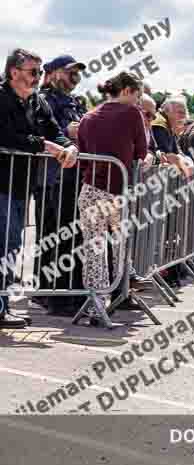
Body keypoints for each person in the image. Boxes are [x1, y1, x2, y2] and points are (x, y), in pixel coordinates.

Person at [0, 48, 77, 327]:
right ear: (14, 72)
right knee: (4, 245)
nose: (37, 78)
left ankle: (2, 305)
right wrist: (44, 145)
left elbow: (54, 130)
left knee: (11, 246)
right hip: (2, 184)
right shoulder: (1, 98)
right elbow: (7, 136)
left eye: (40, 72)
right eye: (33, 72)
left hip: (22, 185)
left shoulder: (37, 102)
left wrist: (69, 148)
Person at [77, 71, 148, 323]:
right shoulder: (132, 114)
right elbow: (142, 150)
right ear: (127, 90)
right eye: (137, 95)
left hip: (90, 190)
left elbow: (83, 155)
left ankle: (96, 304)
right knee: (120, 245)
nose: (138, 101)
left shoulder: (88, 117)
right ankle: (124, 286)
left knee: (94, 251)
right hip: (116, 193)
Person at [34, 55, 88, 315]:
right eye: (69, 71)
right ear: (53, 73)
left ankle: (61, 292)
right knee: (53, 236)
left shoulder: (77, 102)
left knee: (70, 235)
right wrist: (70, 132)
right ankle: (51, 293)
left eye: (77, 72)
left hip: (73, 176)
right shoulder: (44, 99)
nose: (74, 76)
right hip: (51, 178)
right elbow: (46, 130)